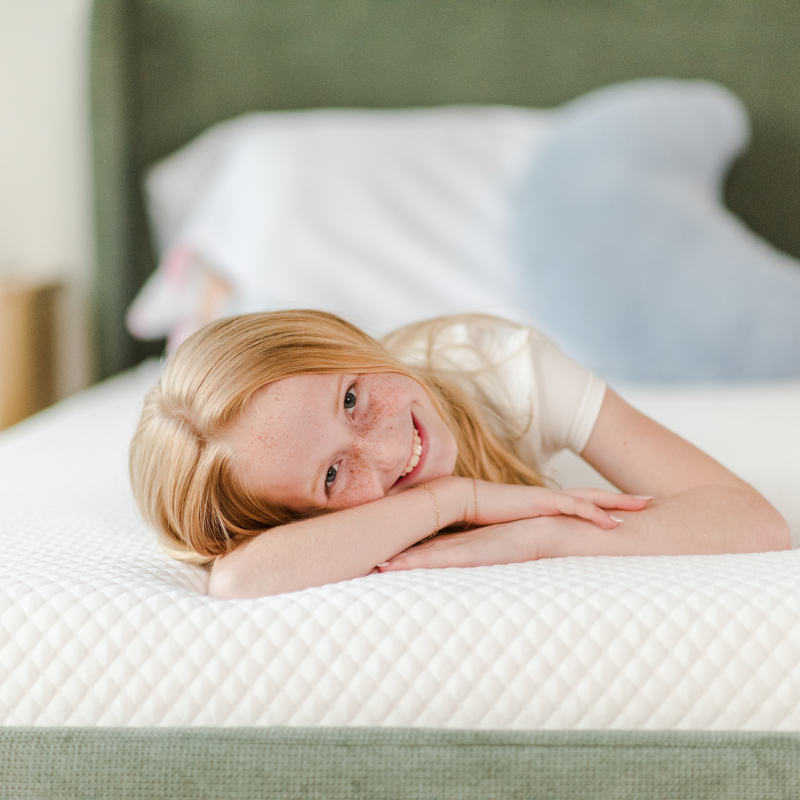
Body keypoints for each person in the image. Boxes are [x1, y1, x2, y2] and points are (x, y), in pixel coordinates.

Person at [129, 310, 790, 599]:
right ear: (299, 517)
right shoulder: (286, 518)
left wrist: (545, 534)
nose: (388, 449)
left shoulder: (504, 367)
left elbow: (753, 521)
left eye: (353, 398)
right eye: (332, 475)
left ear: (340, 341)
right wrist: (456, 498)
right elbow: (242, 580)